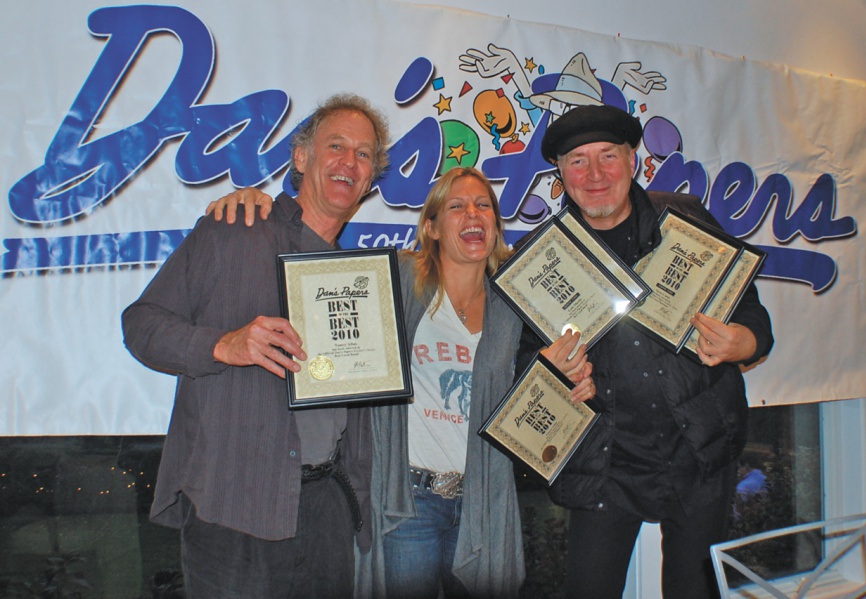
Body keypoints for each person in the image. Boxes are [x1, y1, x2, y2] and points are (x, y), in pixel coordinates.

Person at [210, 167, 594, 598]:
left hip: (483, 502)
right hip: (408, 503)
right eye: (457, 206)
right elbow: (313, 275)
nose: (473, 213)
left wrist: (570, 380)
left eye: (484, 206)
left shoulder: (515, 306)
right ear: (430, 226)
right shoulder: (393, 280)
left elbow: (534, 388)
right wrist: (257, 209)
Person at [121, 93, 391, 598]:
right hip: (235, 506)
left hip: (328, 510)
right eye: (336, 145)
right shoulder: (234, 230)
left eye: (362, 154)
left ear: (371, 179)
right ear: (301, 157)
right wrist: (223, 344)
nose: (348, 162)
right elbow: (140, 324)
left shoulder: (358, 276)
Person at [516, 104, 775, 598]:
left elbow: (752, 316)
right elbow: (526, 360)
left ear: (632, 160)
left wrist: (743, 342)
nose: (595, 174)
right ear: (560, 174)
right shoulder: (544, 256)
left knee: (694, 592)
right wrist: (551, 372)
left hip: (698, 451)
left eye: (608, 156)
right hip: (604, 464)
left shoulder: (685, 220)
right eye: (577, 160)